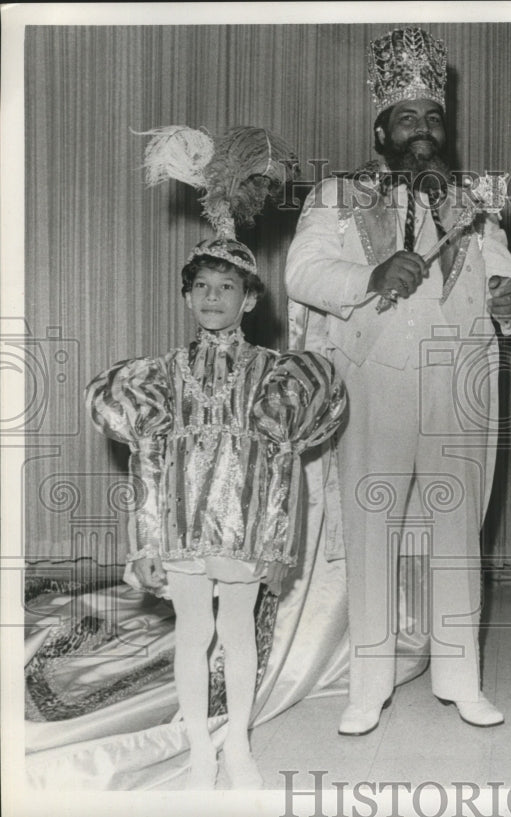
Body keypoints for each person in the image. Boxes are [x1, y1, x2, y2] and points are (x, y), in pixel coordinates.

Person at [285, 27, 511, 736]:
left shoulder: (471, 202)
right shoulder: (338, 194)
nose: (422, 130)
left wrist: (510, 298)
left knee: (458, 531)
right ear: (381, 128)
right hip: (376, 383)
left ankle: (460, 678)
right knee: (374, 531)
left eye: (432, 118)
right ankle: (368, 685)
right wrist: (370, 274)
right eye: (407, 118)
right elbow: (301, 270)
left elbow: (500, 270)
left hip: (457, 383)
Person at [86, 239, 346, 789]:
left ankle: (239, 743)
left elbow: (282, 464)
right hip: (180, 527)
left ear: (249, 300)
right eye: (202, 286)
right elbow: (148, 463)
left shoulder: (277, 375)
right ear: (186, 297)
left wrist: (279, 546)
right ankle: (201, 747)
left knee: (238, 631)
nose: (213, 296)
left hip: (246, 527)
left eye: (227, 287)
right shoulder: (160, 376)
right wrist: (145, 543)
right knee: (192, 631)